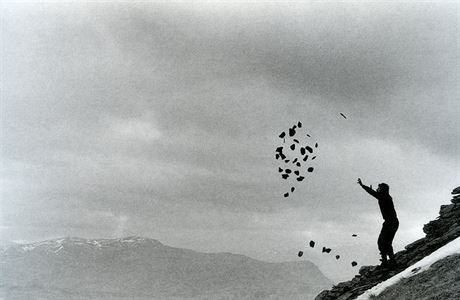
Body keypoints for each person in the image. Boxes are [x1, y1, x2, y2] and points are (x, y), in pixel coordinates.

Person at [357, 178, 399, 269]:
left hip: (391, 223)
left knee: (384, 242)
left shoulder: (384, 197)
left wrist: (363, 185)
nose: (377, 189)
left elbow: (374, 193)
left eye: (379, 188)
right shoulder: (385, 196)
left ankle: (389, 262)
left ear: (382, 190)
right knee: (384, 242)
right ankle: (389, 262)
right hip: (391, 222)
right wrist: (365, 186)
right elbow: (375, 194)